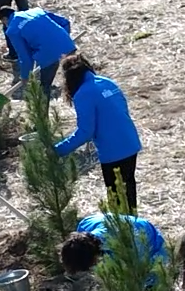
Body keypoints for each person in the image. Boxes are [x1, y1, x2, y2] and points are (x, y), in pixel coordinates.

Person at [53, 53, 143, 209]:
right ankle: (133, 225)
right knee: (128, 189)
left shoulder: (83, 94)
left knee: (116, 198)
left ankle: (124, 228)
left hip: (113, 151)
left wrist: (58, 150)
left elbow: (85, 131)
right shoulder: (107, 82)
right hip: (130, 142)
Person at [60, 210, 165, 283]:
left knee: (149, 285)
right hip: (125, 238)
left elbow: (133, 287)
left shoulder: (130, 247)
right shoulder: (85, 225)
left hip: (155, 248)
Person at [0, 6, 76, 95]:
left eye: (4, 23)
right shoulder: (37, 11)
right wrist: (62, 41)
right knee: (76, 78)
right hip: (67, 45)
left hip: (48, 55)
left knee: (44, 88)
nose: (5, 25)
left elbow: (25, 58)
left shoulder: (12, 30)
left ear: (5, 19)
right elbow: (65, 22)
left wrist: (25, 76)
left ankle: (42, 108)